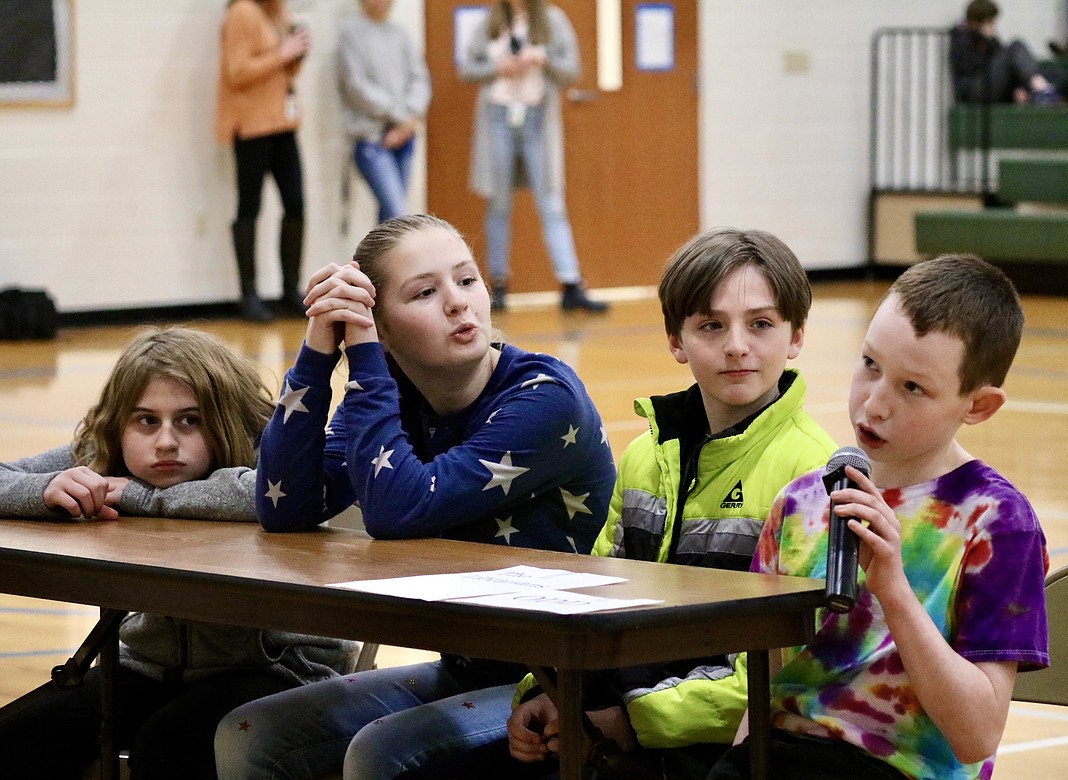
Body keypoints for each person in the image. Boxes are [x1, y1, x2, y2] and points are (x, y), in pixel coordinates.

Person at [394, 226, 838, 780]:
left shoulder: (811, 475)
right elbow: (594, 604)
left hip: (714, 749)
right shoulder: (645, 458)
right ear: (676, 340)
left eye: (762, 324)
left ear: (796, 336)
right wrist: (550, 691)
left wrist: (632, 721)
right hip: (609, 725)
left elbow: (793, 671)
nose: (737, 345)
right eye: (711, 325)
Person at [213, 213, 616, 780]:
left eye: (468, 280)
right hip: (465, 669)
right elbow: (284, 508)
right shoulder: (392, 395)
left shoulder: (545, 399)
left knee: (379, 753)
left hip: (553, 684)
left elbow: (399, 509)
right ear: (384, 327)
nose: (458, 304)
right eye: (425, 292)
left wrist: (367, 364)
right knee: (248, 736)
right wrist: (317, 351)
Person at [705, 254, 1050, 780]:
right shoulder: (800, 502)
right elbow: (764, 683)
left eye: (913, 387)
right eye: (870, 365)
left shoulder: (997, 523)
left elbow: (976, 734)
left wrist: (892, 588)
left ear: (977, 406)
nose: (875, 403)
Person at [0, 327, 359, 780]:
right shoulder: (105, 457)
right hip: (149, 667)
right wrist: (44, 488)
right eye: (146, 421)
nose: (166, 441)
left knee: (166, 748)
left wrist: (144, 498)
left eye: (189, 420)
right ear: (119, 426)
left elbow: (271, 497)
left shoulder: (274, 455)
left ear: (223, 418)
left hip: (280, 670)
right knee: (19, 738)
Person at [459, 0, 608, 313]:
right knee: (498, 203)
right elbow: (466, 68)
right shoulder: (490, 21)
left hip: (537, 118)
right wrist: (499, 67)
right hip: (497, 118)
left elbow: (572, 70)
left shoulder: (552, 19)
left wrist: (542, 58)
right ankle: (497, 284)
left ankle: (570, 284)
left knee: (551, 202)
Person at [216, 0, 311, 323]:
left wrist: (296, 54)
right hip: (252, 127)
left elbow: (283, 70)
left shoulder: (278, 12)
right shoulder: (242, 12)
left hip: (283, 124)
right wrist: (281, 54)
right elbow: (237, 71)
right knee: (249, 207)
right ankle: (249, 294)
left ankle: (289, 290)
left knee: (295, 204)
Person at [338, 0, 432, 224]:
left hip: (405, 137)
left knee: (389, 221)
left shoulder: (401, 34)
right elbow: (357, 87)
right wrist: (402, 117)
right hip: (372, 140)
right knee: (397, 213)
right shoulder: (351, 37)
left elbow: (420, 80)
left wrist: (408, 121)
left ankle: (380, 260)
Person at [950, 0, 1062, 104]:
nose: (993, 26)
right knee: (1016, 47)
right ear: (976, 22)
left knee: (1053, 74)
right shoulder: (962, 38)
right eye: (989, 22)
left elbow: (1003, 63)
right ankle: (1040, 89)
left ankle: (1036, 90)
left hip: (993, 85)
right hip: (974, 89)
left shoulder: (990, 40)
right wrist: (983, 38)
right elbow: (975, 67)